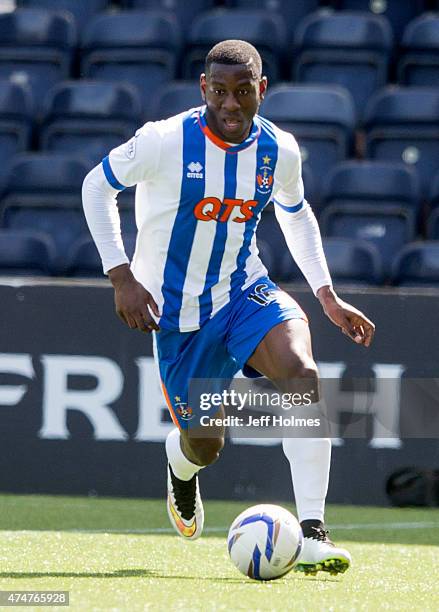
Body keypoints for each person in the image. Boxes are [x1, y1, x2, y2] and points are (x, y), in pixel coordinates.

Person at [82, 39, 375, 576]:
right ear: (204, 89)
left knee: (302, 375)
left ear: (262, 90)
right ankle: (180, 459)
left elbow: (296, 211)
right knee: (205, 445)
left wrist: (326, 296)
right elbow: (95, 187)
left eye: (243, 92)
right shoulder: (164, 141)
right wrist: (121, 276)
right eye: (220, 92)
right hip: (177, 317)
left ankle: (313, 531)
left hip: (245, 293)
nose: (231, 105)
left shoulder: (278, 149)